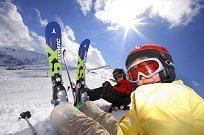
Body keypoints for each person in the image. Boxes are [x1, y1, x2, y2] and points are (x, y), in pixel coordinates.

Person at [50, 44, 204, 135]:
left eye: (148, 68)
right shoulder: (147, 96)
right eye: (134, 73)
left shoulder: (167, 93)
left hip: (122, 98)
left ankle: (67, 108)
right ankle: (85, 103)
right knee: (94, 111)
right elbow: (124, 129)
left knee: (65, 115)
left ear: (167, 67)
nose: (141, 77)